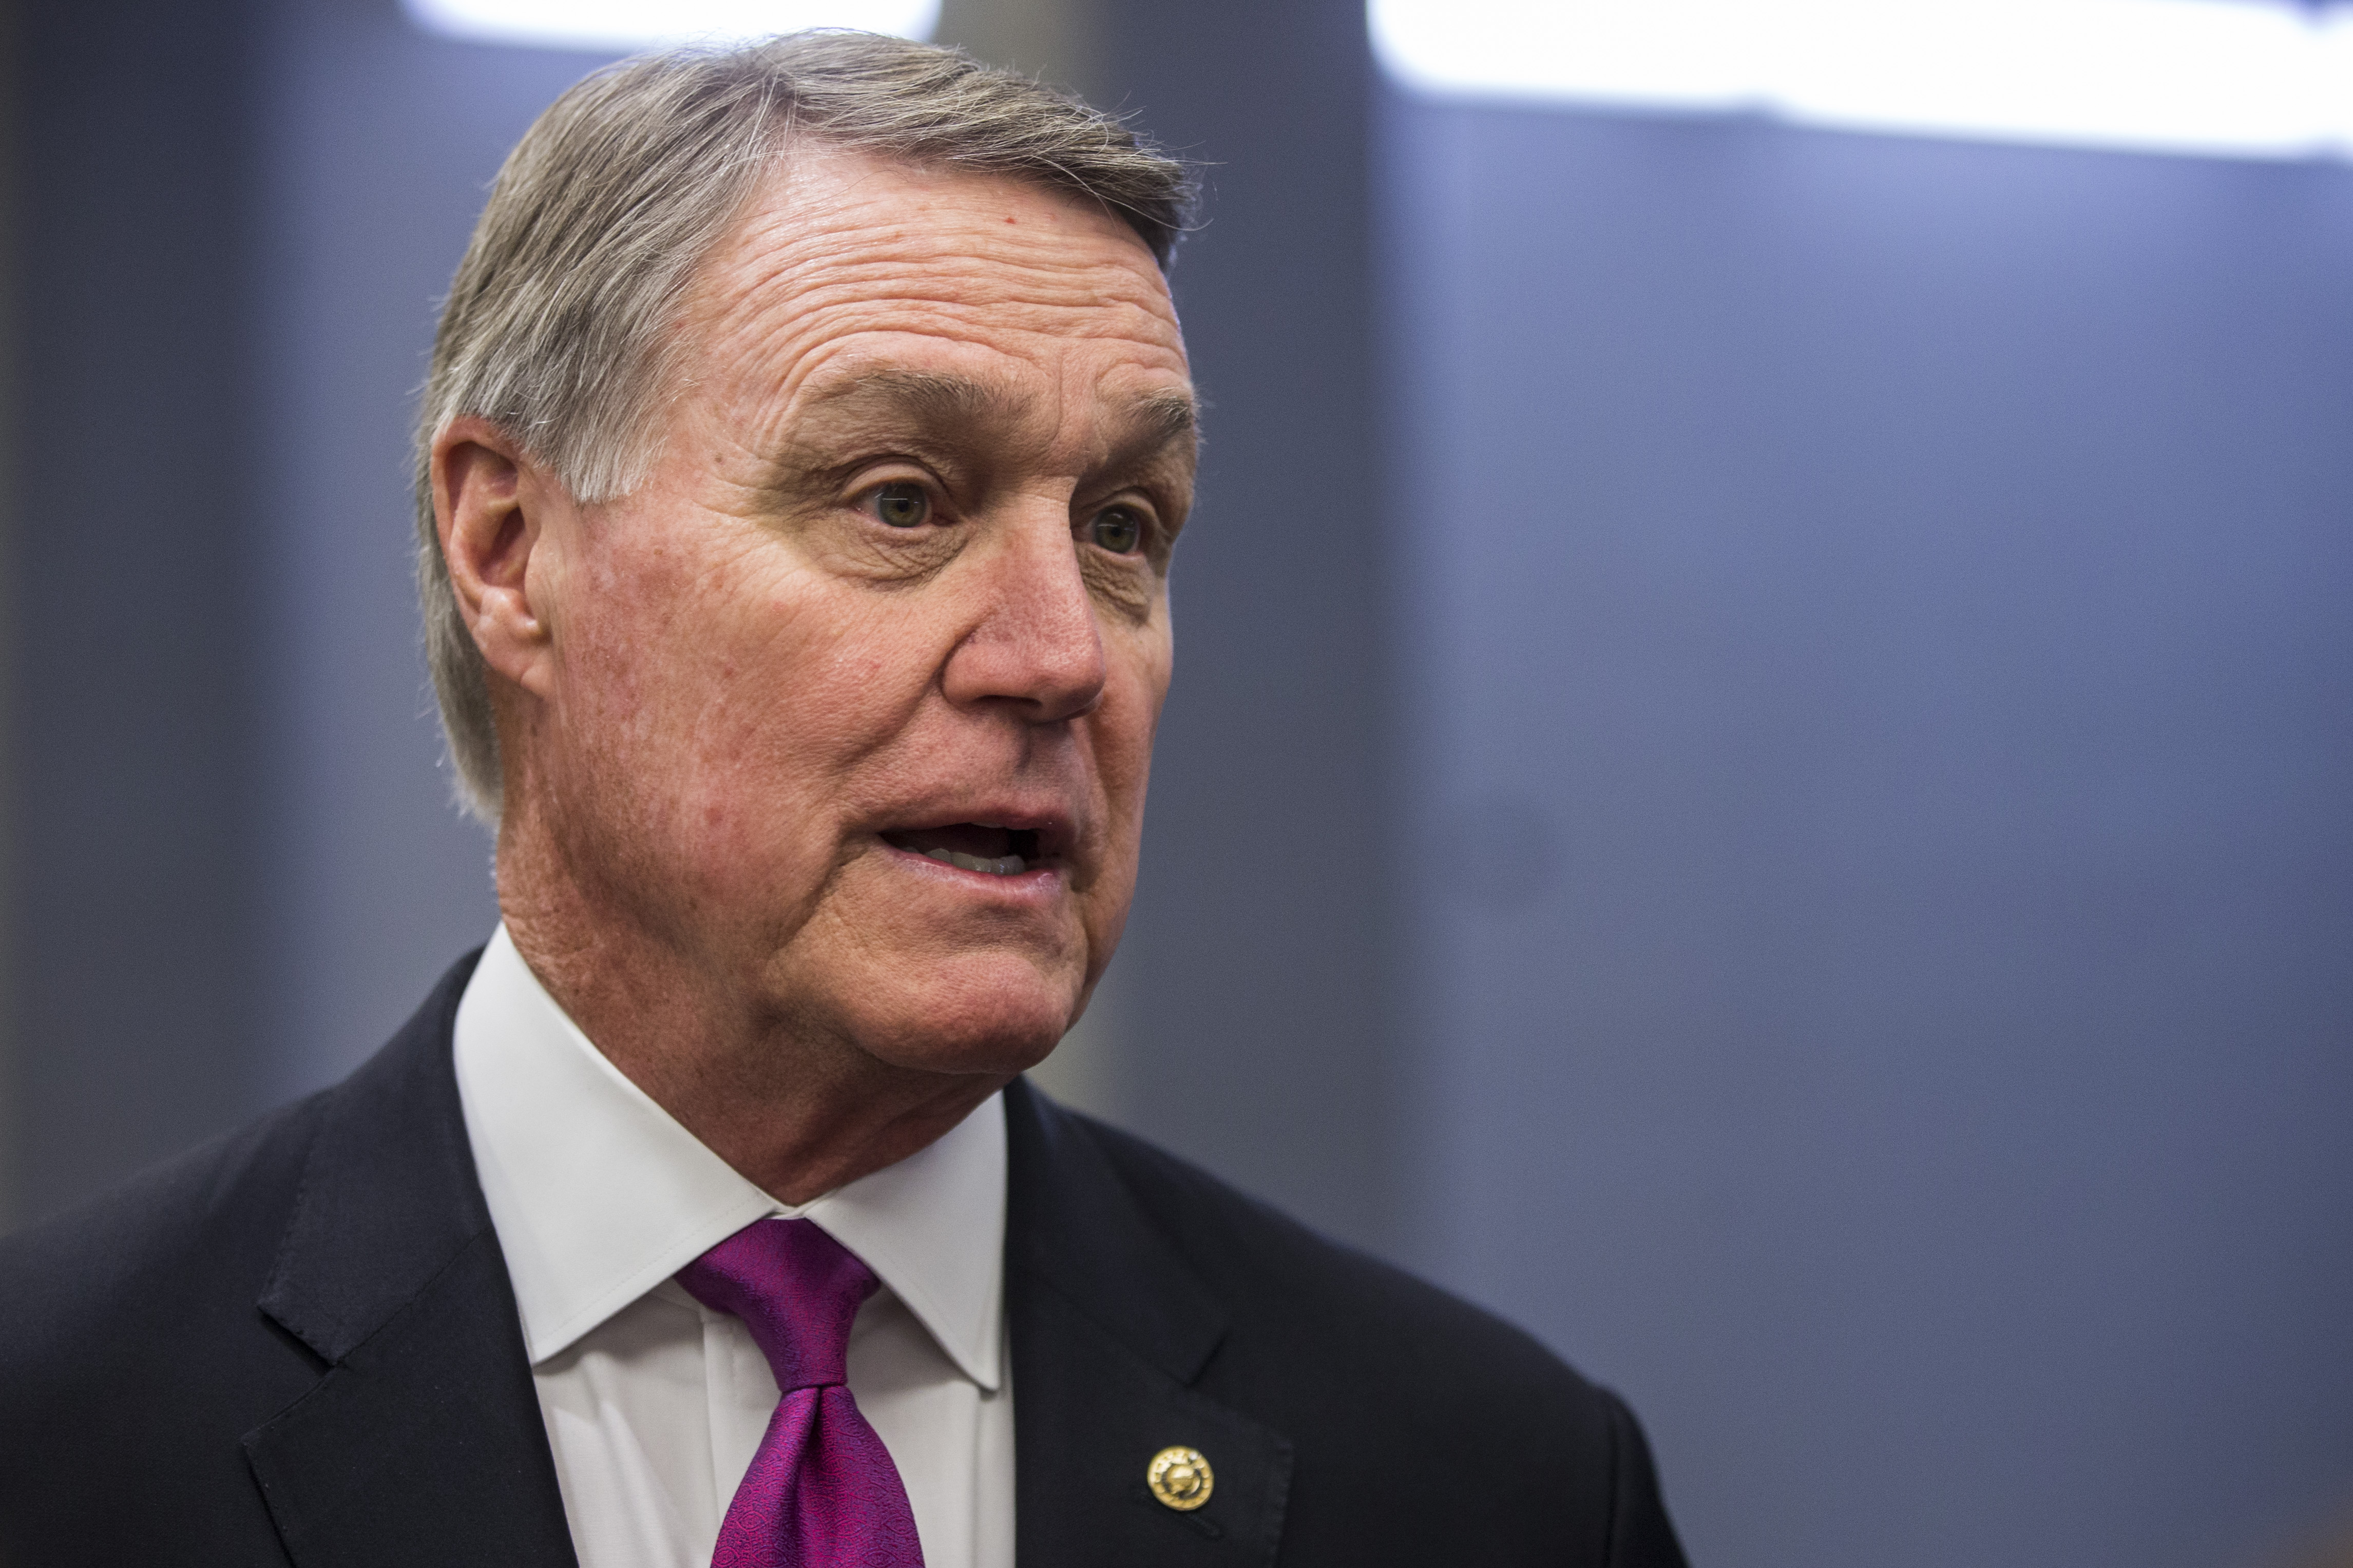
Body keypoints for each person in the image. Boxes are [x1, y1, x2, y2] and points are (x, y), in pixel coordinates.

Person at [0, 32, 1687, 1567]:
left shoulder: (1497, 1488)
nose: (1058, 659)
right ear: (513, 552)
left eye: (1123, 525)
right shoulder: (60, 1434)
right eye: (901, 499)